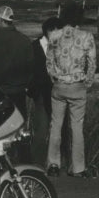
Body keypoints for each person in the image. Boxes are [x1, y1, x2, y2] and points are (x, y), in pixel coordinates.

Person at [45, 2, 97, 178]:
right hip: (77, 86)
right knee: (77, 127)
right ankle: (78, 168)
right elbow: (92, 63)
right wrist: (87, 82)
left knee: (56, 125)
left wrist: (55, 77)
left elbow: (49, 62)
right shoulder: (86, 36)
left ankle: (53, 164)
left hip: (59, 86)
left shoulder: (54, 36)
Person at [0, 5, 33, 162]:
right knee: (19, 132)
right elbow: (31, 68)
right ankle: (22, 162)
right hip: (18, 93)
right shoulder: (25, 41)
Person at [27, 17, 65, 165]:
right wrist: (31, 90)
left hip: (59, 93)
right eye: (57, 31)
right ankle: (36, 163)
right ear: (49, 31)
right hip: (41, 95)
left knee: (59, 130)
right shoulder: (35, 47)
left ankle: (56, 163)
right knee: (41, 130)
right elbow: (29, 70)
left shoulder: (62, 47)